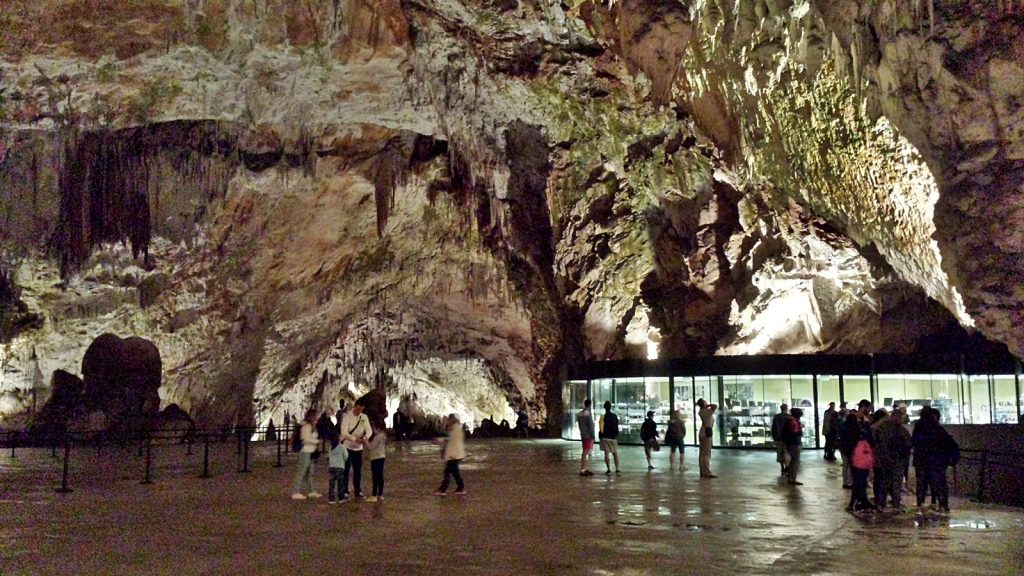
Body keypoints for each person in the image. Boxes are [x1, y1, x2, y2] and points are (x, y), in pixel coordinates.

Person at [913, 406, 957, 513]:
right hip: (936, 461)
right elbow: (946, 443)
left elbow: (914, 442)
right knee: (939, 484)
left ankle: (920, 504)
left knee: (922, 484)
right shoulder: (937, 428)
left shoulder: (919, 427)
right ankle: (942, 505)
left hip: (922, 460)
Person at [339, 399, 371, 501]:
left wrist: (365, 438)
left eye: (361, 409)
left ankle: (357, 490)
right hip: (347, 447)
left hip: (358, 448)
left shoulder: (364, 417)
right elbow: (344, 432)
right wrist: (355, 439)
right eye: (357, 409)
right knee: (346, 469)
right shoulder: (347, 416)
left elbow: (369, 430)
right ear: (355, 406)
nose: (359, 411)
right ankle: (345, 490)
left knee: (358, 470)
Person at [291, 409, 321, 500]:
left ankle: (311, 491)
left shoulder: (312, 426)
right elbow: (304, 439)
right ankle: (295, 492)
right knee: (301, 472)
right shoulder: (306, 426)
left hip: (311, 452)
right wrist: (316, 441)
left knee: (310, 473)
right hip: (305, 451)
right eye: (315, 416)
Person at [436, 413, 466, 495]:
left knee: (448, 472)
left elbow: (452, 442)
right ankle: (460, 487)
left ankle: (442, 490)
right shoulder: (455, 428)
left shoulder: (455, 429)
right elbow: (448, 440)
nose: (447, 421)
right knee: (455, 472)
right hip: (456, 454)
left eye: (448, 420)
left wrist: (450, 455)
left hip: (453, 455)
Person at [696, 398, 718, 478]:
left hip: (702, 431)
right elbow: (715, 406)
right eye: (705, 402)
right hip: (706, 432)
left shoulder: (701, 411)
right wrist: (707, 406)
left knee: (702, 453)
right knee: (707, 453)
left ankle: (702, 470)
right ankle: (707, 471)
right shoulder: (707, 411)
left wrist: (705, 406)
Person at [598, 401, 621, 475]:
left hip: (605, 437)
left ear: (604, 408)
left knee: (606, 454)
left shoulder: (602, 417)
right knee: (615, 453)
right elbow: (617, 426)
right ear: (610, 407)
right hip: (613, 437)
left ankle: (608, 469)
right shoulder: (614, 416)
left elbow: (601, 428)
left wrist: (601, 436)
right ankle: (617, 469)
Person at [366, 421, 387, 502]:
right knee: (380, 476)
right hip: (382, 456)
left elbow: (371, 447)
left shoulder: (377, 437)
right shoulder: (384, 436)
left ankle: (374, 495)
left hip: (375, 458)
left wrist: (366, 441)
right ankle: (380, 494)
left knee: (375, 476)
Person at [783, 408, 804, 485]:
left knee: (792, 461)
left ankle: (790, 477)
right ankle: (793, 478)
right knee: (795, 461)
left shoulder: (789, 420)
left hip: (790, 443)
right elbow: (794, 431)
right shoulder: (793, 422)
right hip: (794, 443)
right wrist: (800, 427)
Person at [326, 425, 347, 504]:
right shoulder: (342, 447)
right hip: (340, 467)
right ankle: (341, 498)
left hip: (332, 467)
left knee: (331, 484)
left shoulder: (330, 447)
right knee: (340, 484)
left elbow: (328, 457)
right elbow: (346, 456)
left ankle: (331, 499)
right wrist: (343, 461)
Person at [576, 399, 596, 476]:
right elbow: (591, 425)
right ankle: (583, 468)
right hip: (588, 435)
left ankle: (583, 468)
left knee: (585, 450)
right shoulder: (588, 413)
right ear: (590, 405)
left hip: (583, 434)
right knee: (586, 451)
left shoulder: (580, 414)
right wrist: (593, 435)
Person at [771, 404, 792, 474]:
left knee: (779, 452)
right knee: (786, 452)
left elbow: (773, 428)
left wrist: (774, 437)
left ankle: (782, 467)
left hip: (778, 438)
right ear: (786, 408)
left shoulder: (776, 417)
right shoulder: (789, 417)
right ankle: (787, 466)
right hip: (787, 438)